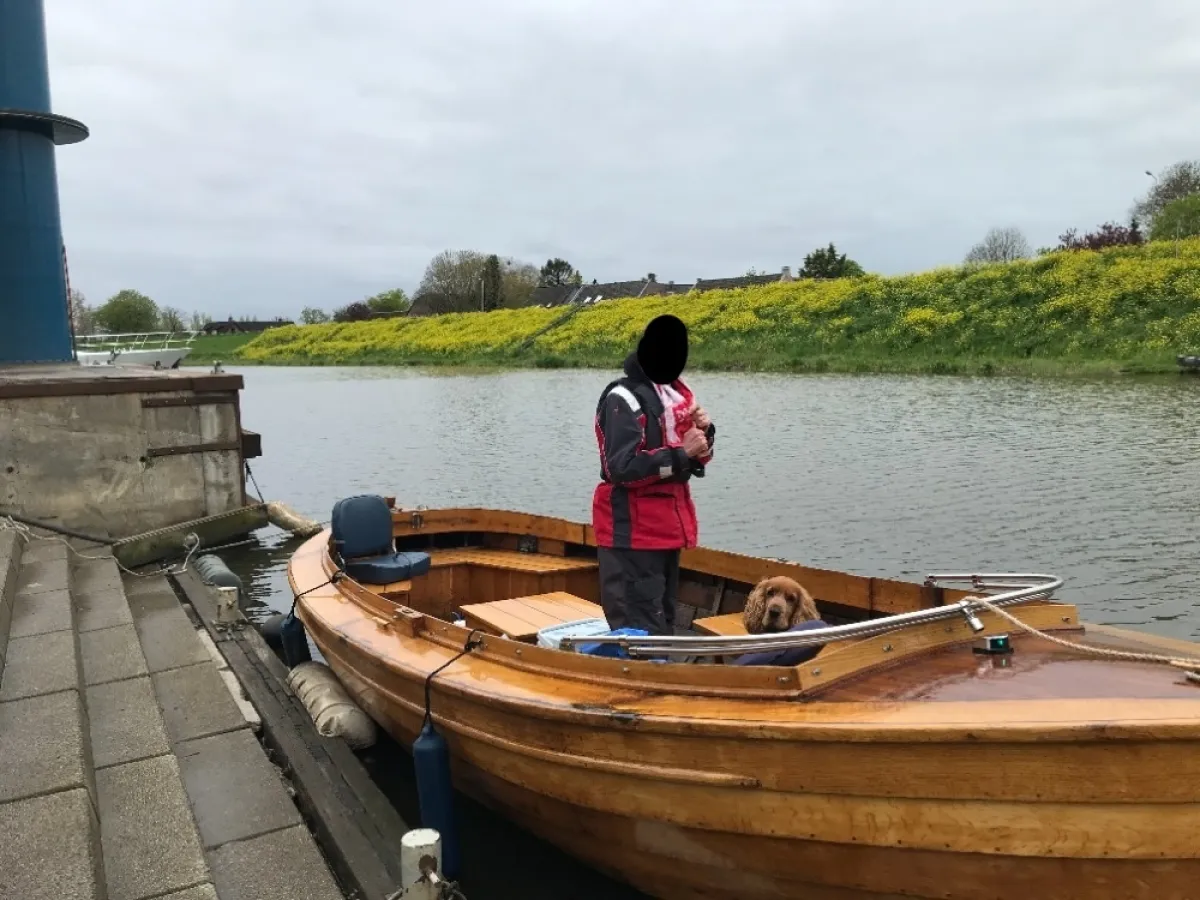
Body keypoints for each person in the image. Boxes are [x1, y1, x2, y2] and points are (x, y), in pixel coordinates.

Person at [592, 315, 715, 636]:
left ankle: (662, 678)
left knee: (663, 624)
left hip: (666, 530)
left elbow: (695, 463)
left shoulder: (673, 398)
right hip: (632, 536)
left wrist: (705, 433)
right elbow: (620, 469)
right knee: (640, 633)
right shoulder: (623, 399)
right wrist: (681, 453)